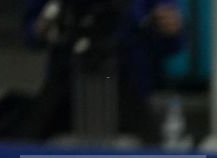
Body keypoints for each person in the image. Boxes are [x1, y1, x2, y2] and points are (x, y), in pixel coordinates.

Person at [21, 0, 184, 142]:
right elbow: (32, 31)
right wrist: (41, 27)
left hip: (129, 78)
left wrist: (169, 28)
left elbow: (172, 38)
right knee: (30, 137)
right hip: (67, 79)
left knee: (149, 146)